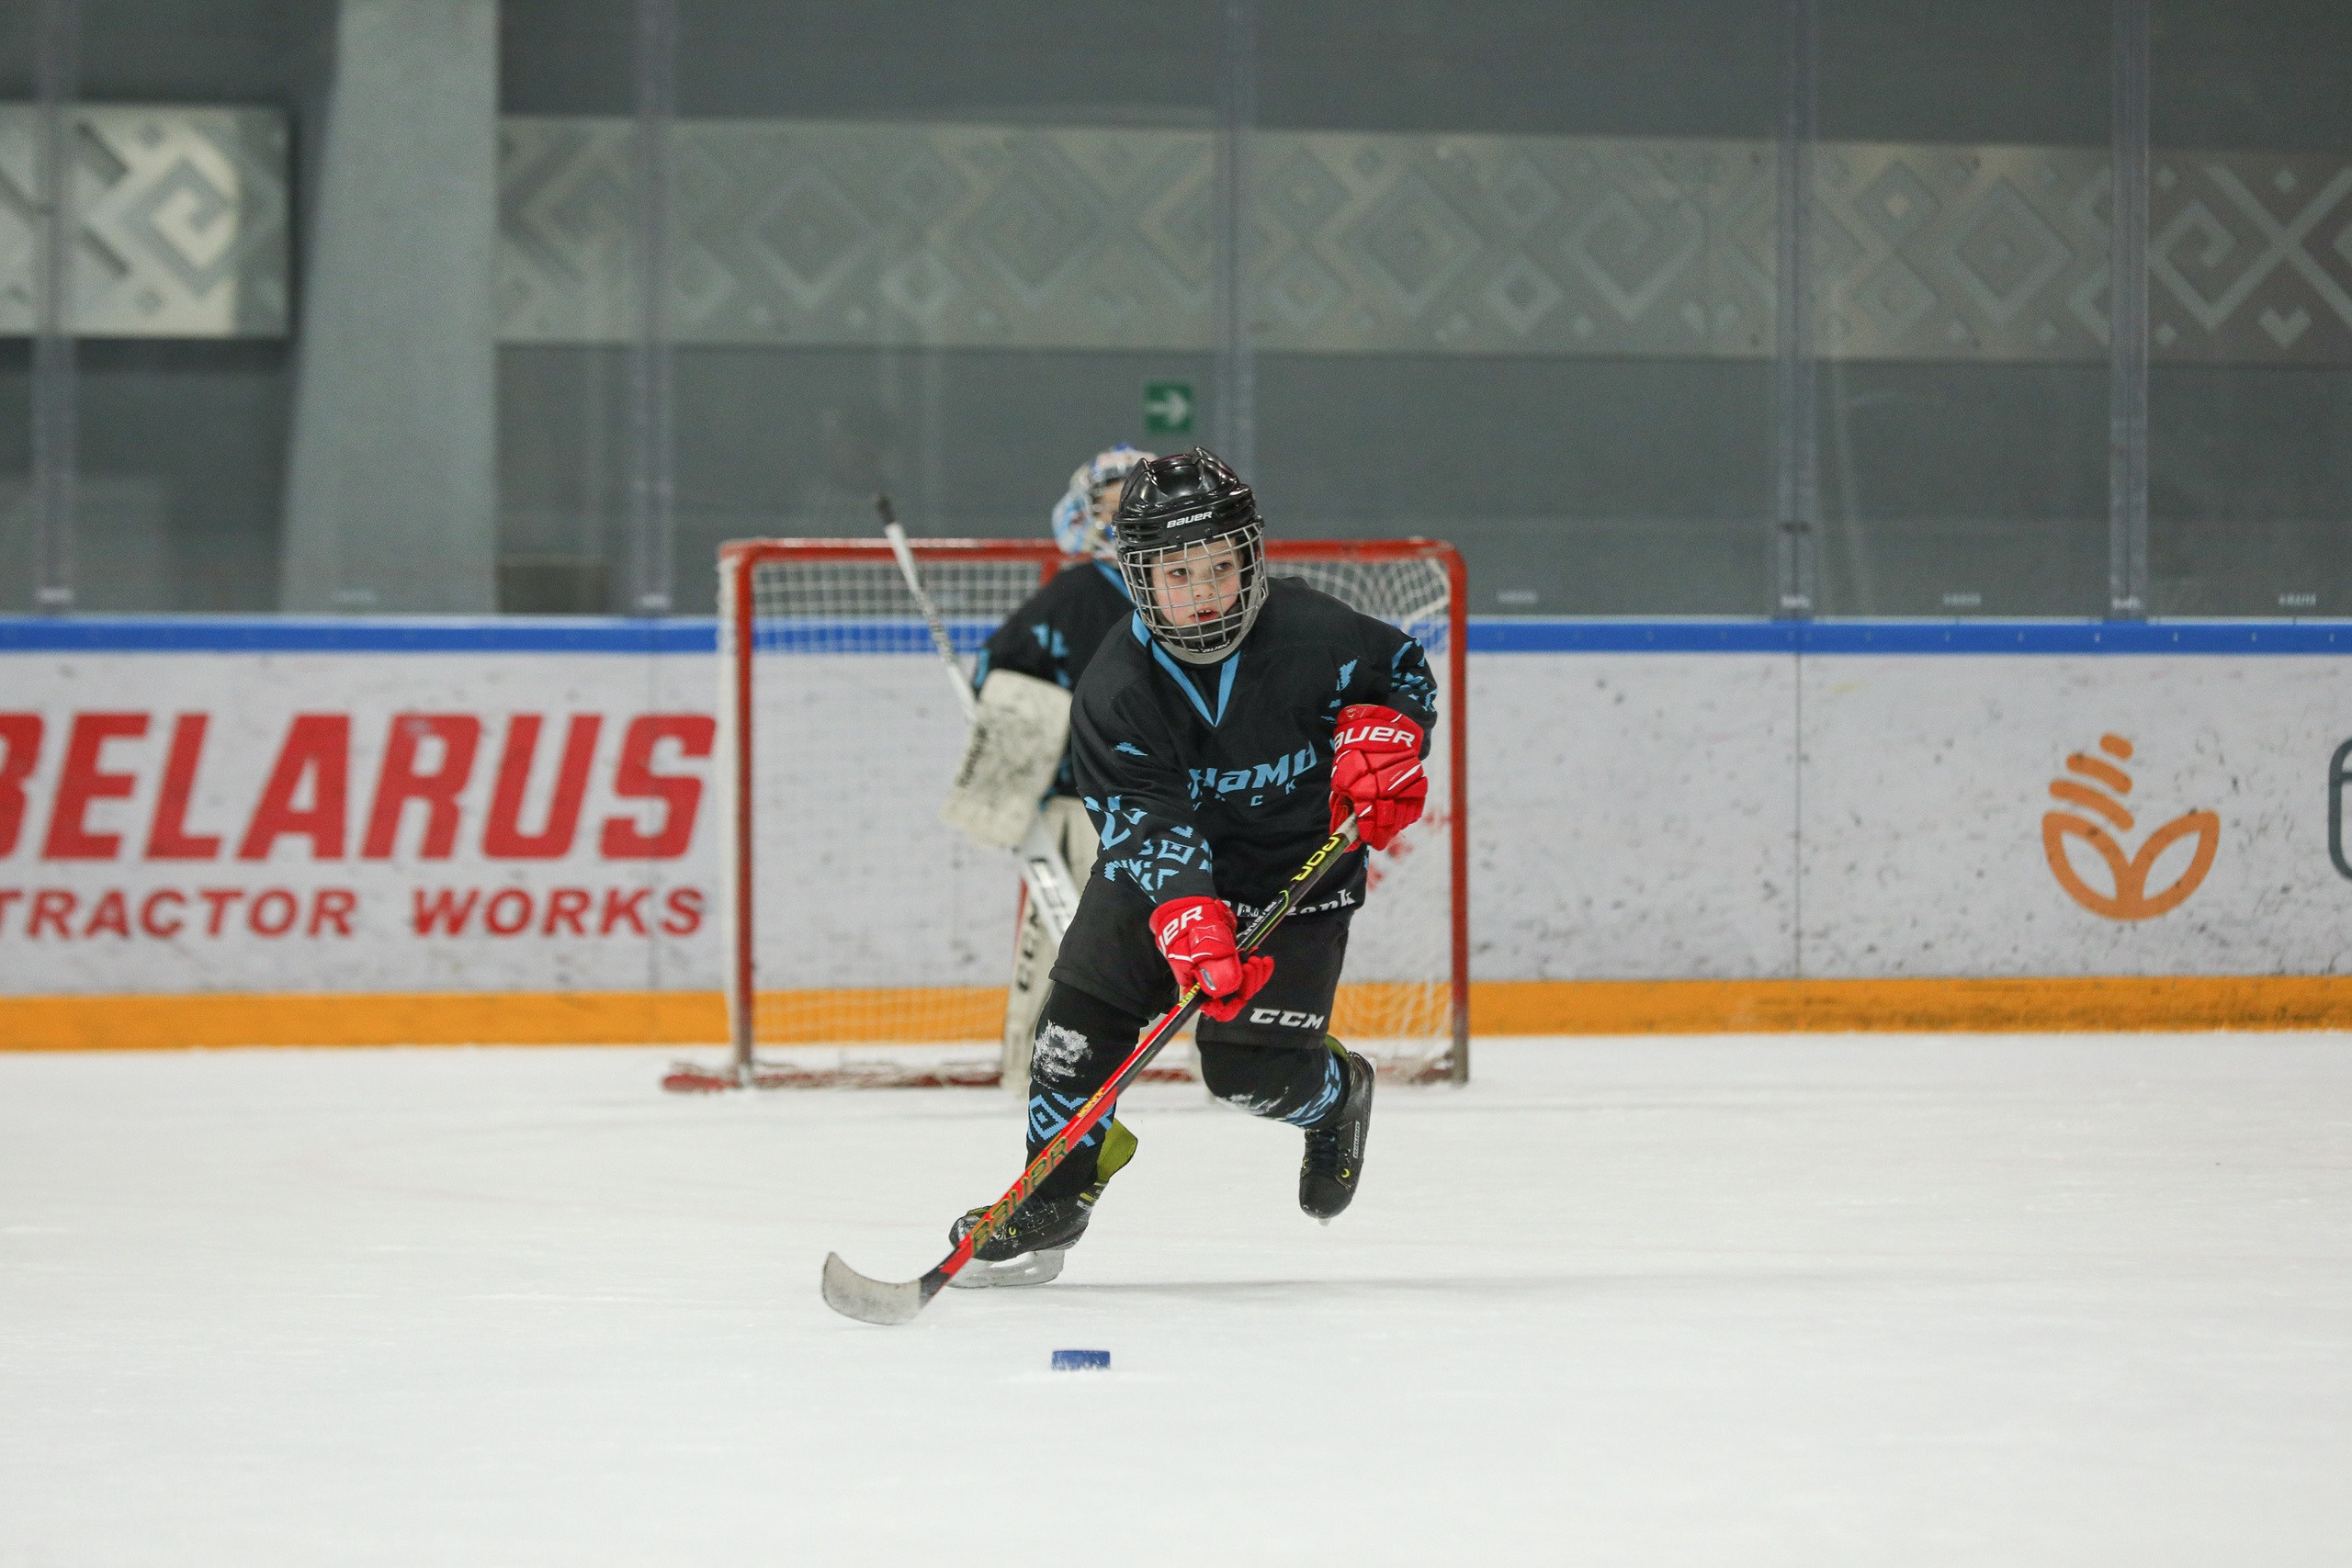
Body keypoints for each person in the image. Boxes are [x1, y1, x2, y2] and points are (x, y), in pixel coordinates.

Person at [948, 448, 1438, 1287]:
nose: (1205, 589)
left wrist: (1387, 737)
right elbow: (1142, 818)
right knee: (1075, 1026)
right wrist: (1187, 912)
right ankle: (1055, 1192)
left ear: (1252, 557)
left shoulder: (1318, 634)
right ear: (1139, 578)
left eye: (1221, 565)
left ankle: (1337, 1092)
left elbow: (1401, 674)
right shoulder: (1117, 684)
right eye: (1179, 573)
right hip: (1162, 872)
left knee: (1245, 1071)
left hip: (1299, 879)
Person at [967, 445, 1155, 1077]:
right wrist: (1017, 770)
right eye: (1110, 500)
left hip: (1162, 802)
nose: (1118, 512)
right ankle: (1029, 1068)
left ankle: (1231, 1057)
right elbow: (998, 672)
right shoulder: (1075, 594)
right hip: (1081, 804)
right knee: (1060, 939)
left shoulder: (1186, 592)